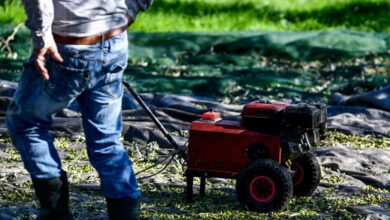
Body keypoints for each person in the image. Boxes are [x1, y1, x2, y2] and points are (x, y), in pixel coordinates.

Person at [6, 0, 153, 219]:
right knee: (106, 140)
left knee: (26, 124)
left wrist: (42, 35)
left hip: (69, 47)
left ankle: (56, 214)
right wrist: (127, 13)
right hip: (114, 40)